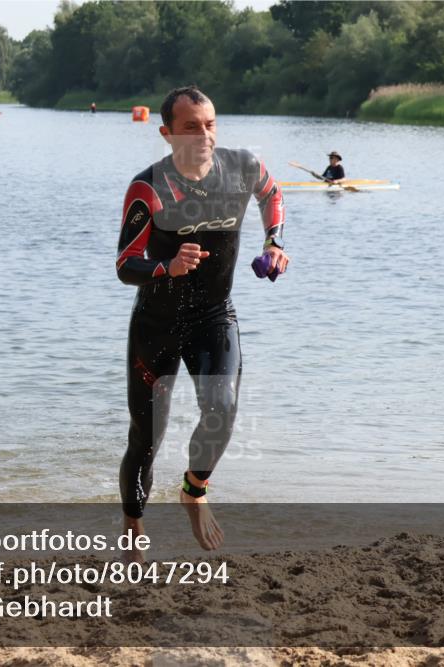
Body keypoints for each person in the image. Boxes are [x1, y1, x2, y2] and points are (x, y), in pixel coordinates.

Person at [116, 85, 289, 563]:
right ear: (167, 133)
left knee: (223, 407)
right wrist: (167, 267)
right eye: (191, 127)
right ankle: (133, 526)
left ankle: (194, 490)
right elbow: (125, 264)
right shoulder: (149, 187)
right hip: (157, 324)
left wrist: (274, 242)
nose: (204, 135)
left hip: (214, 315)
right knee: (146, 438)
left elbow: (272, 193)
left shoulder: (242, 167)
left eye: (210, 124)